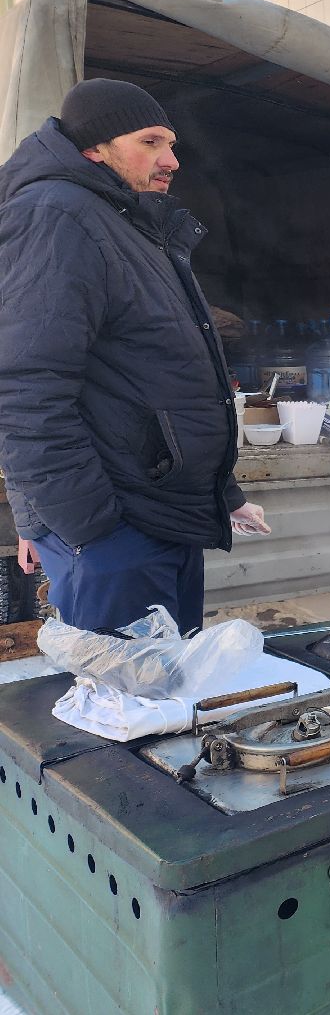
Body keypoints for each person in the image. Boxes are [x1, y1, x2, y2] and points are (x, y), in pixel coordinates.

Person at [0, 79, 265, 635]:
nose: (170, 159)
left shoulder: (129, 223)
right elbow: (25, 389)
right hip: (119, 527)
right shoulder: (58, 216)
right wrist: (92, 530)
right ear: (94, 148)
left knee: (167, 700)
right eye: (150, 142)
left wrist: (223, 493)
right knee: (127, 707)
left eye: (171, 144)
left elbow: (159, 377)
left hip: (161, 517)